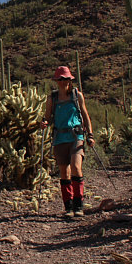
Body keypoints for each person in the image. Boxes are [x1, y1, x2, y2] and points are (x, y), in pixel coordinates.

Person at [43, 65, 94, 217]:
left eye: (65, 79)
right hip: (59, 137)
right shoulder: (52, 98)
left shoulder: (77, 96)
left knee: (76, 167)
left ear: (70, 80)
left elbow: (85, 116)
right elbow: (47, 117)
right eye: (60, 79)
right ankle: (68, 207)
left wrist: (90, 134)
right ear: (56, 81)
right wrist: (44, 123)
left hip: (76, 136)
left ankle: (79, 205)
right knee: (64, 172)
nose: (63, 81)